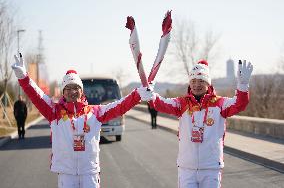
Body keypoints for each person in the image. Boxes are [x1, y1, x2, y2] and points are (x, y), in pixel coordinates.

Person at [11, 53, 154, 188]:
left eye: (76, 88)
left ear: (82, 91)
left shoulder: (95, 112)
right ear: (63, 91)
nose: (72, 91)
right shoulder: (54, 112)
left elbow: (120, 107)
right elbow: (37, 95)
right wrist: (23, 77)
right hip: (67, 174)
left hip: (89, 173)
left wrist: (138, 95)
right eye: (68, 88)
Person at [150, 60, 253, 188]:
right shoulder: (182, 103)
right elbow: (161, 104)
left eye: (201, 81)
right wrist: (150, 96)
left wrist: (242, 86)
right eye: (193, 81)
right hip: (187, 168)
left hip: (211, 168)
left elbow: (239, 104)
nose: (196, 85)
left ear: (208, 83)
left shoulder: (220, 103)